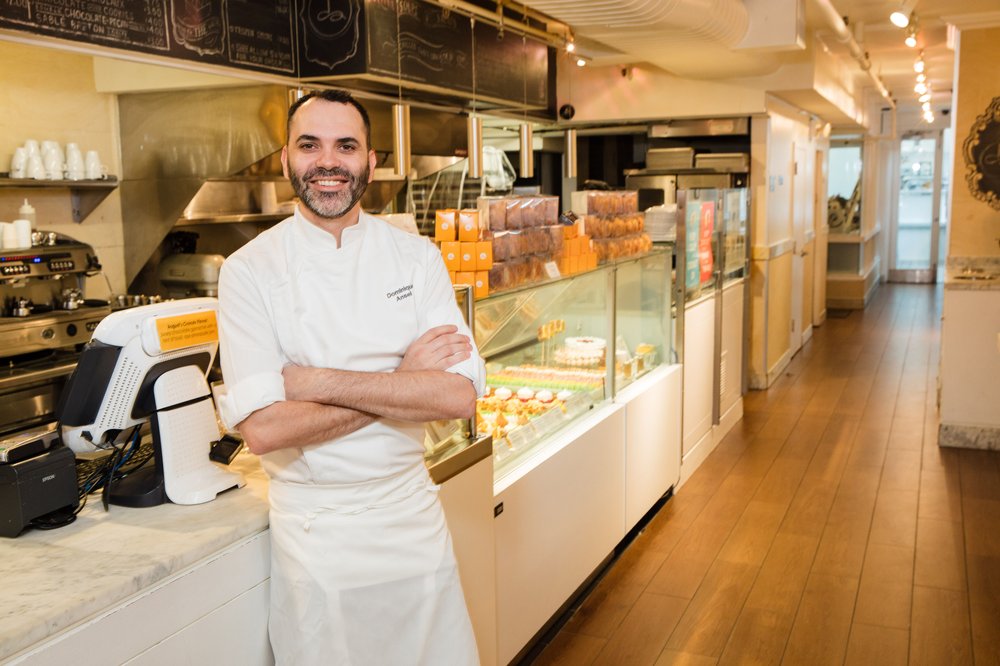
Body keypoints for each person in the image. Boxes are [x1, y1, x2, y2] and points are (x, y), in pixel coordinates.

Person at [216, 89, 484, 665]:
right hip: (319, 534)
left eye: (347, 146)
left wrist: (313, 381)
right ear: (285, 159)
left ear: (371, 160)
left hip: (413, 521)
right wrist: (403, 380)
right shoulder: (249, 272)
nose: (329, 162)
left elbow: (457, 395)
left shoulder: (416, 257)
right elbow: (264, 431)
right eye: (310, 145)